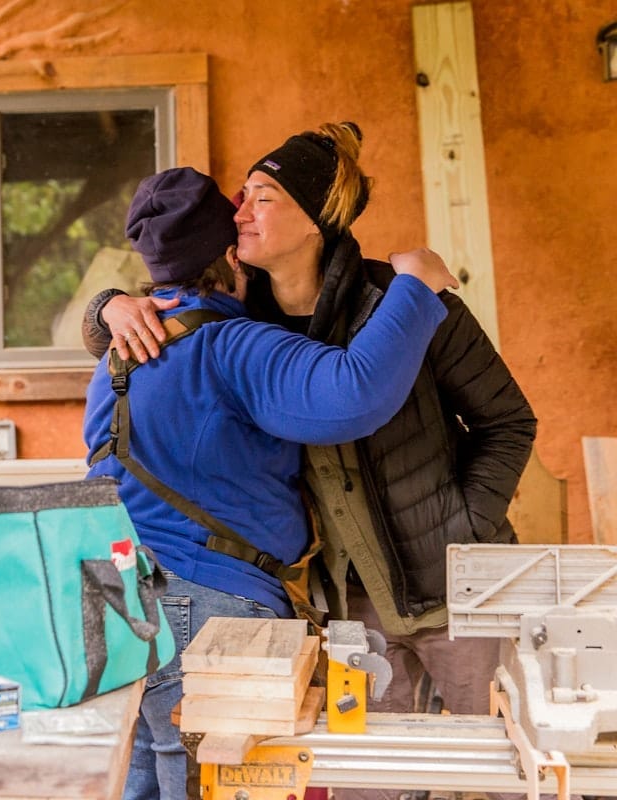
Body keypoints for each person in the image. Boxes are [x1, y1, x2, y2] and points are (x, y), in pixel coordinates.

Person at [86, 124, 536, 800]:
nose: (239, 211)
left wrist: (463, 524)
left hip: (451, 591)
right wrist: (106, 307)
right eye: (239, 199)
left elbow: (508, 419)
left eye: (262, 198)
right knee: (363, 781)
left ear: (315, 219)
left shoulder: (400, 303)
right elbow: (183, 328)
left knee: (486, 774)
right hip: (347, 605)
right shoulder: (243, 324)